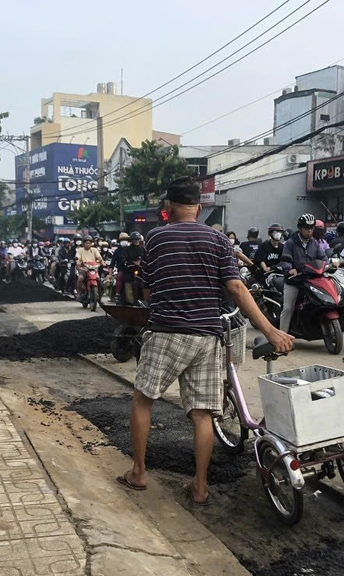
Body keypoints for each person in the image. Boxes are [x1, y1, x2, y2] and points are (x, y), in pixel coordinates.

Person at [118, 177, 293, 505]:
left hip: (167, 334)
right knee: (202, 414)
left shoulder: (155, 238)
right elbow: (236, 288)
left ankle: (139, 473)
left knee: (143, 400)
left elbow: (146, 290)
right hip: (207, 337)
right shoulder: (217, 239)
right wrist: (271, 331)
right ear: (199, 208)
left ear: (167, 209)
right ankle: (199, 487)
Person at [279, 213, 330, 334]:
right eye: (307, 228)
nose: (310, 231)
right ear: (300, 228)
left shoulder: (315, 244)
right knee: (288, 308)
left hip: (311, 280)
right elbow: (285, 260)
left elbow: (324, 258)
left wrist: (329, 265)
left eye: (312, 228)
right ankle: (281, 337)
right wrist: (289, 269)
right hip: (294, 281)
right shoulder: (290, 243)